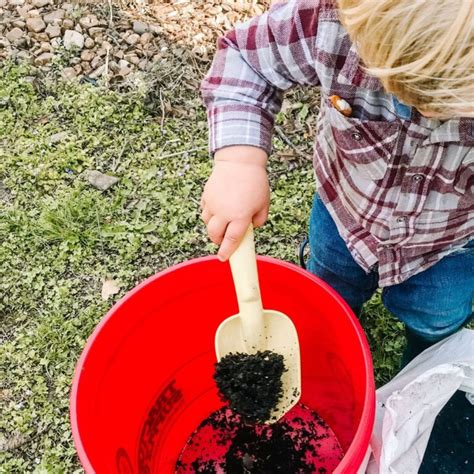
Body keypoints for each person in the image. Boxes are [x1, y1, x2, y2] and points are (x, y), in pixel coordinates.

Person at [199, 0, 473, 470]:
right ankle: (331, 338)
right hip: (344, 216)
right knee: (330, 292)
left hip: (446, 244)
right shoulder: (329, 22)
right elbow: (245, 60)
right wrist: (238, 160)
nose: (422, 110)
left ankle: (425, 360)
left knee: (435, 316)